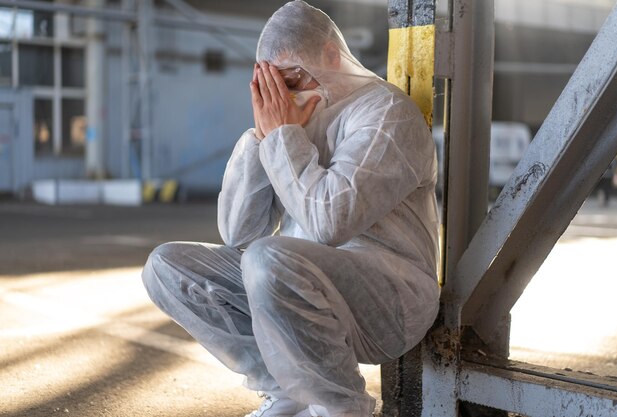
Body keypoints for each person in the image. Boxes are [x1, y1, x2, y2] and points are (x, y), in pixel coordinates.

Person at [141, 1, 440, 416]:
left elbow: (329, 222)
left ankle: (340, 407)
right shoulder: (295, 119)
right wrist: (261, 137)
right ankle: (288, 390)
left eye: (294, 77)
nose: (287, 94)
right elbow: (238, 233)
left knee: (269, 259)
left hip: (392, 299)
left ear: (331, 56)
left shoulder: (386, 114)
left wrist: (283, 136)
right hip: (297, 284)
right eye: (273, 85)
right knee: (166, 266)